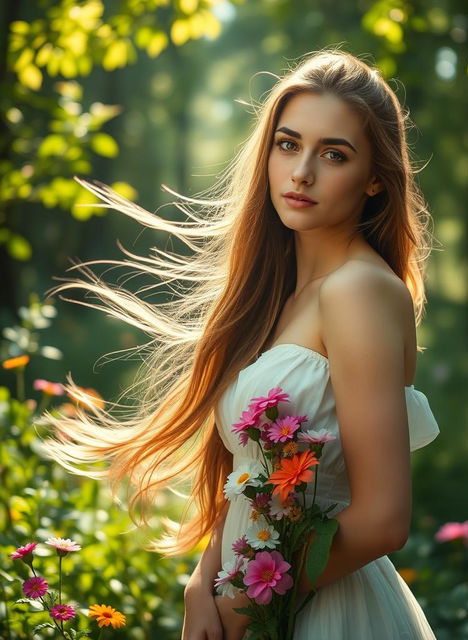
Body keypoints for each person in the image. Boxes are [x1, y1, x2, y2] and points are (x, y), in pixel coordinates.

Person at [41, 48, 440, 639]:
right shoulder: (281, 295)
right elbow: (254, 476)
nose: (302, 172)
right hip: (254, 594)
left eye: (334, 154)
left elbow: (383, 519)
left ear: (376, 178)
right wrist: (203, 578)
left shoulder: (359, 291)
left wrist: (246, 600)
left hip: (322, 610)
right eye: (288, 144)